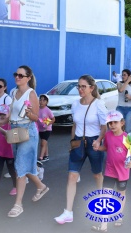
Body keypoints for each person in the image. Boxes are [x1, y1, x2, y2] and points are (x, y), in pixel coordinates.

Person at [54, 75, 107, 224]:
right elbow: (75, 125)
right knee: (71, 176)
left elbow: (104, 127)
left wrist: (98, 140)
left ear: (92, 88)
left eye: (83, 86)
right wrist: (72, 142)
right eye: (79, 86)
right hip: (78, 142)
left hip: (93, 142)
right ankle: (68, 212)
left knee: (97, 175)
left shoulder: (98, 104)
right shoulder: (75, 104)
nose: (80, 89)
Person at [7, 65, 49, 217]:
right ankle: (41, 186)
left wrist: (29, 113)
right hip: (15, 131)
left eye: (21, 75)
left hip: (28, 131)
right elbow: (11, 113)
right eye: (16, 74)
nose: (17, 77)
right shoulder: (13, 92)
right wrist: (0, 121)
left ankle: (18, 205)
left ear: (28, 78)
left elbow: (36, 117)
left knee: (19, 166)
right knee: (24, 165)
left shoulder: (31, 94)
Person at [91, 110, 131, 232]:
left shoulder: (128, 138)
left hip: (123, 172)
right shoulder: (107, 135)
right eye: (110, 123)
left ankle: (119, 216)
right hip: (109, 171)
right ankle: (103, 224)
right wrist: (98, 148)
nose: (112, 125)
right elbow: (106, 147)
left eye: (115, 122)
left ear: (122, 123)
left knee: (121, 194)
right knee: (105, 195)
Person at [116, 69, 131, 133]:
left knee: (128, 129)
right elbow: (120, 90)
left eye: (125, 75)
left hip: (130, 109)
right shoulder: (119, 83)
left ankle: (130, 142)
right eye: (122, 75)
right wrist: (127, 81)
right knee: (119, 128)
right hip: (120, 108)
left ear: (129, 76)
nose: (123, 76)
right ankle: (120, 142)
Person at [37, 94, 55, 162]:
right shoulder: (37, 109)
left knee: (43, 143)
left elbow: (53, 119)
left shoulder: (47, 110)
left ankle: (40, 157)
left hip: (47, 129)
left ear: (47, 102)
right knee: (44, 142)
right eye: (40, 100)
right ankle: (46, 155)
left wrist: (47, 124)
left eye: (44, 100)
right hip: (40, 129)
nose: (41, 101)